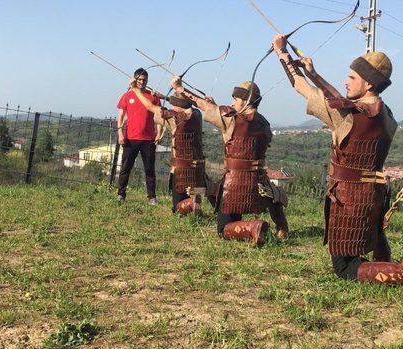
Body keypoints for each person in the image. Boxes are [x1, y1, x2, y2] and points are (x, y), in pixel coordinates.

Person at [272, 33, 403, 296]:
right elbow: (347, 102)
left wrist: (282, 54)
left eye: (352, 77)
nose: (345, 81)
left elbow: (300, 87)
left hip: (348, 197)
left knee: (343, 267)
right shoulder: (386, 116)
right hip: (372, 194)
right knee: (360, 251)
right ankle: (394, 265)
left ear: (369, 83)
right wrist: (315, 74)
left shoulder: (348, 116)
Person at [171, 76, 289, 247]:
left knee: (223, 229)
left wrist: (181, 89)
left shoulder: (231, 118)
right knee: (272, 196)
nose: (233, 102)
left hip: (235, 183)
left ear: (247, 100)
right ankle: (282, 227)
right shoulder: (265, 123)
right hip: (259, 181)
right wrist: (216, 106)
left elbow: (205, 107)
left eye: (236, 98)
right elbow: (235, 123)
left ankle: (253, 228)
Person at [128, 78, 213, 214]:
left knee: (177, 207)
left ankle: (191, 203)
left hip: (180, 169)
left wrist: (136, 90)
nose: (172, 107)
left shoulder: (174, 119)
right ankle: (194, 203)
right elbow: (188, 102)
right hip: (197, 168)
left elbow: (150, 107)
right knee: (190, 194)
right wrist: (167, 95)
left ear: (178, 104)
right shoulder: (197, 115)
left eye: (174, 104)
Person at [116, 68, 163, 205]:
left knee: (149, 169)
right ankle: (121, 194)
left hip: (148, 139)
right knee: (126, 168)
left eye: (144, 80)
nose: (142, 82)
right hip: (131, 138)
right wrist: (120, 133)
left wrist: (159, 132)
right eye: (139, 79)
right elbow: (120, 116)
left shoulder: (153, 96)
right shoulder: (127, 95)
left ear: (147, 80)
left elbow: (158, 116)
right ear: (135, 79)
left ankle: (152, 197)